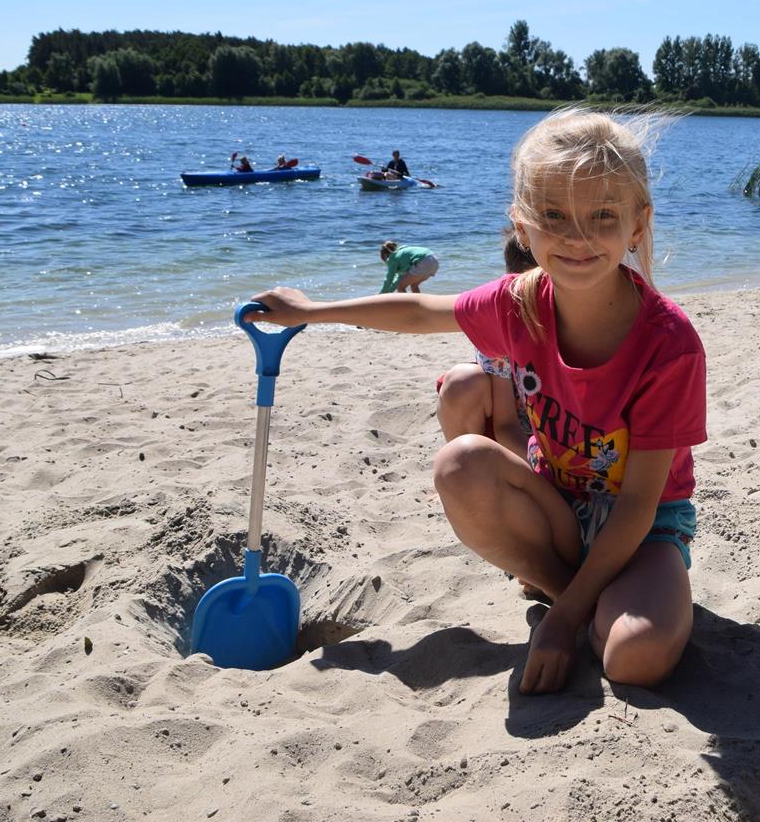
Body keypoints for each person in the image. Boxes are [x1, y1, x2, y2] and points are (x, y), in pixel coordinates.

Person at [247, 108, 705, 694]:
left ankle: (578, 601)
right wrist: (311, 311)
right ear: (522, 225)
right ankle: (566, 588)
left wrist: (561, 622)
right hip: (556, 508)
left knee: (635, 659)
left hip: (643, 530)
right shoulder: (518, 302)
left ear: (638, 225)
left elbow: (639, 503)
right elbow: (421, 311)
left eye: (603, 216)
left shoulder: (668, 344)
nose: (577, 237)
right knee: (460, 462)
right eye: (554, 215)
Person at [436, 227, 539, 461]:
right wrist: (538, 469)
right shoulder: (502, 322)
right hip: (515, 436)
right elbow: (505, 424)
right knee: (463, 380)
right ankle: (468, 468)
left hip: (568, 438)